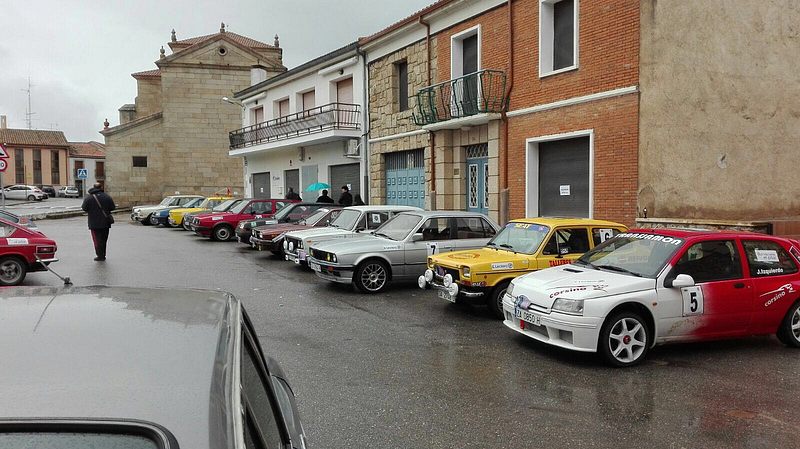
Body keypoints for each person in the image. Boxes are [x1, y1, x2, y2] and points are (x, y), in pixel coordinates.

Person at [81, 182, 116, 261]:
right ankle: (103, 254)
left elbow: (84, 208)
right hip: (105, 222)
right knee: (104, 240)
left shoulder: (89, 198)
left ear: (94, 187)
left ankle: (99, 255)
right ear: (101, 187)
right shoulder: (107, 197)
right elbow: (113, 207)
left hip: (94, 223)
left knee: (97, 240)